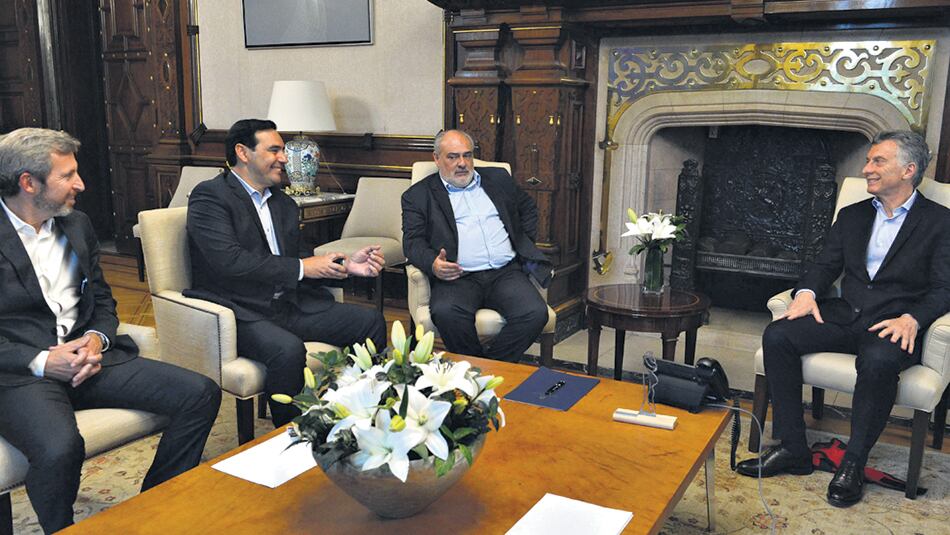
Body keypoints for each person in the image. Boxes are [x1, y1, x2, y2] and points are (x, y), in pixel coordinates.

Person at [0, 128, 221, 534]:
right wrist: (43, 360)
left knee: (200, 393)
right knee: (59, 447)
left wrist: (97, 339)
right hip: (21, 373)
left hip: (90, 359)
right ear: (28, 183)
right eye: (67, 175)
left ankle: (154, 507)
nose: (80, 184)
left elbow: (102, 299)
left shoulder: (77, 225)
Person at [735, 131, 950, 507]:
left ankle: (853, 462)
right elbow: (823, 266)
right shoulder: (852, 215)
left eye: (877, 162)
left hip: (892, 324)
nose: (867, 169)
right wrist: (805, 295)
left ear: (908, 170)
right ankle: (793, 448)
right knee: (778, 335)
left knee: (879, 360)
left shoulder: (940, 222)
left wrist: (914, 318)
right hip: (845, 315)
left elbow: (944, 288)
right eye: (867, 161)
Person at [186, 119, 386, 427]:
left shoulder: (283, 202)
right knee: (288, 350)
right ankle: (291, 436)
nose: (283, 158)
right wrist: (303, 267)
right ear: (243, 152)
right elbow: (229, 261)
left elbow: (301, 259)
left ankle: (365, 414)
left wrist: (347, 265)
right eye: (274, 150)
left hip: (287, 304)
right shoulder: (210, 197)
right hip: (239, 309)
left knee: (369, 321)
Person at [401, 129, 552, 362]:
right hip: (458, 276)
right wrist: (433, 263)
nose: (462, 163)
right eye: (453, 157)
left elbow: (528, 208)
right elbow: (412, 242)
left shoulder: (498, 179)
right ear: (436, 158)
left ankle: (488, 369)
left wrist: (522, 242)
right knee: (446, 312)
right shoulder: (418, 195)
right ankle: (477, 369)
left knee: (535, 313)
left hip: (505, 273)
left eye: (467, 155)